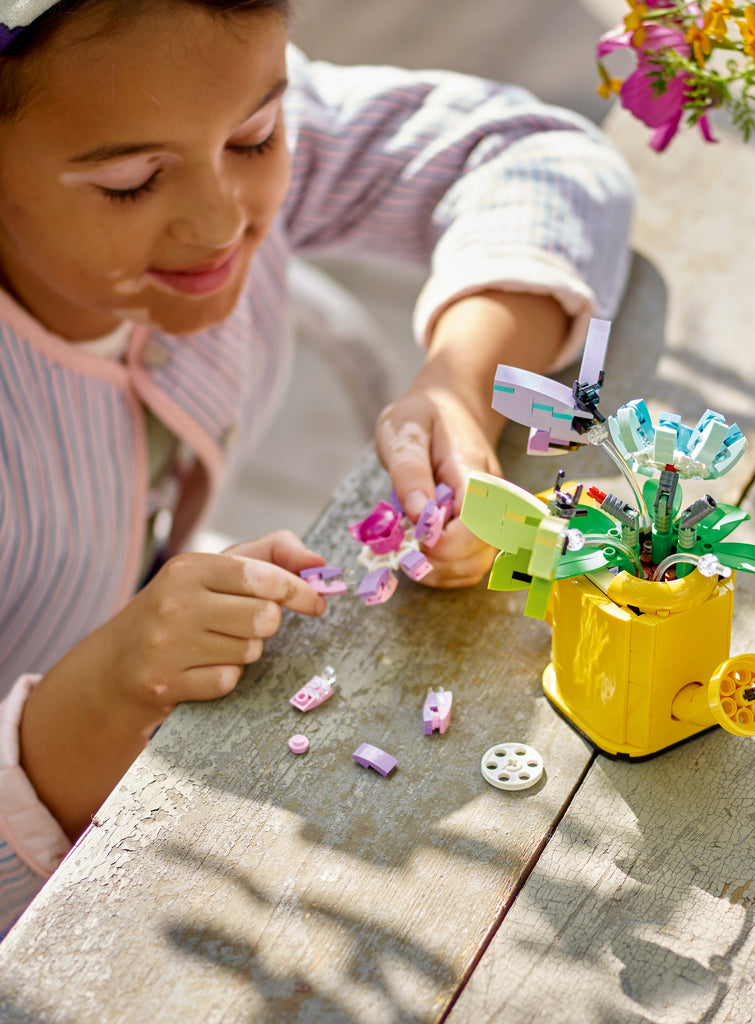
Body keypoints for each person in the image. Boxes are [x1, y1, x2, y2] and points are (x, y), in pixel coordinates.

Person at [0, 0, 634, 935]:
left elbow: (546, 156)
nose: (220, 220)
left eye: (258, 138)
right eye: (132, 185)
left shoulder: (185, 96)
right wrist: (100, 696)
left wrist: (460, 383)